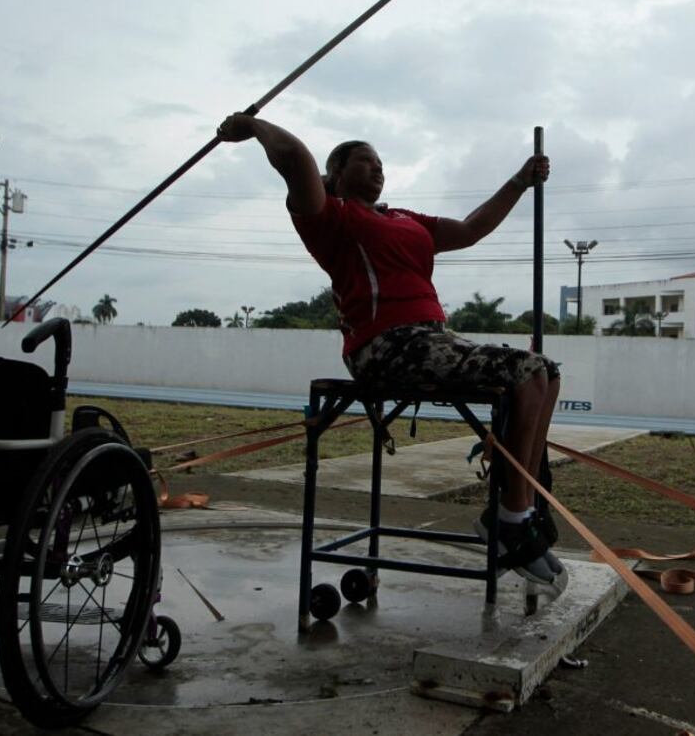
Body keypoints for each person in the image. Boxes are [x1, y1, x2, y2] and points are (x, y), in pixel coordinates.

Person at [217, 113, 564, 586]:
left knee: (547, 372)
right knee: (527, 371)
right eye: (365, 161)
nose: (378, 168)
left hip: (434, 338)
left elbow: (470, 229)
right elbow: (295, 158)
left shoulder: (404, 219)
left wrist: (520, 181)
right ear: (336, 174)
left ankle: (519, 509)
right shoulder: (330, 216)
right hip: (384, 346)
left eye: (381, 162)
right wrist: (252, 126)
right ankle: (511, 518)